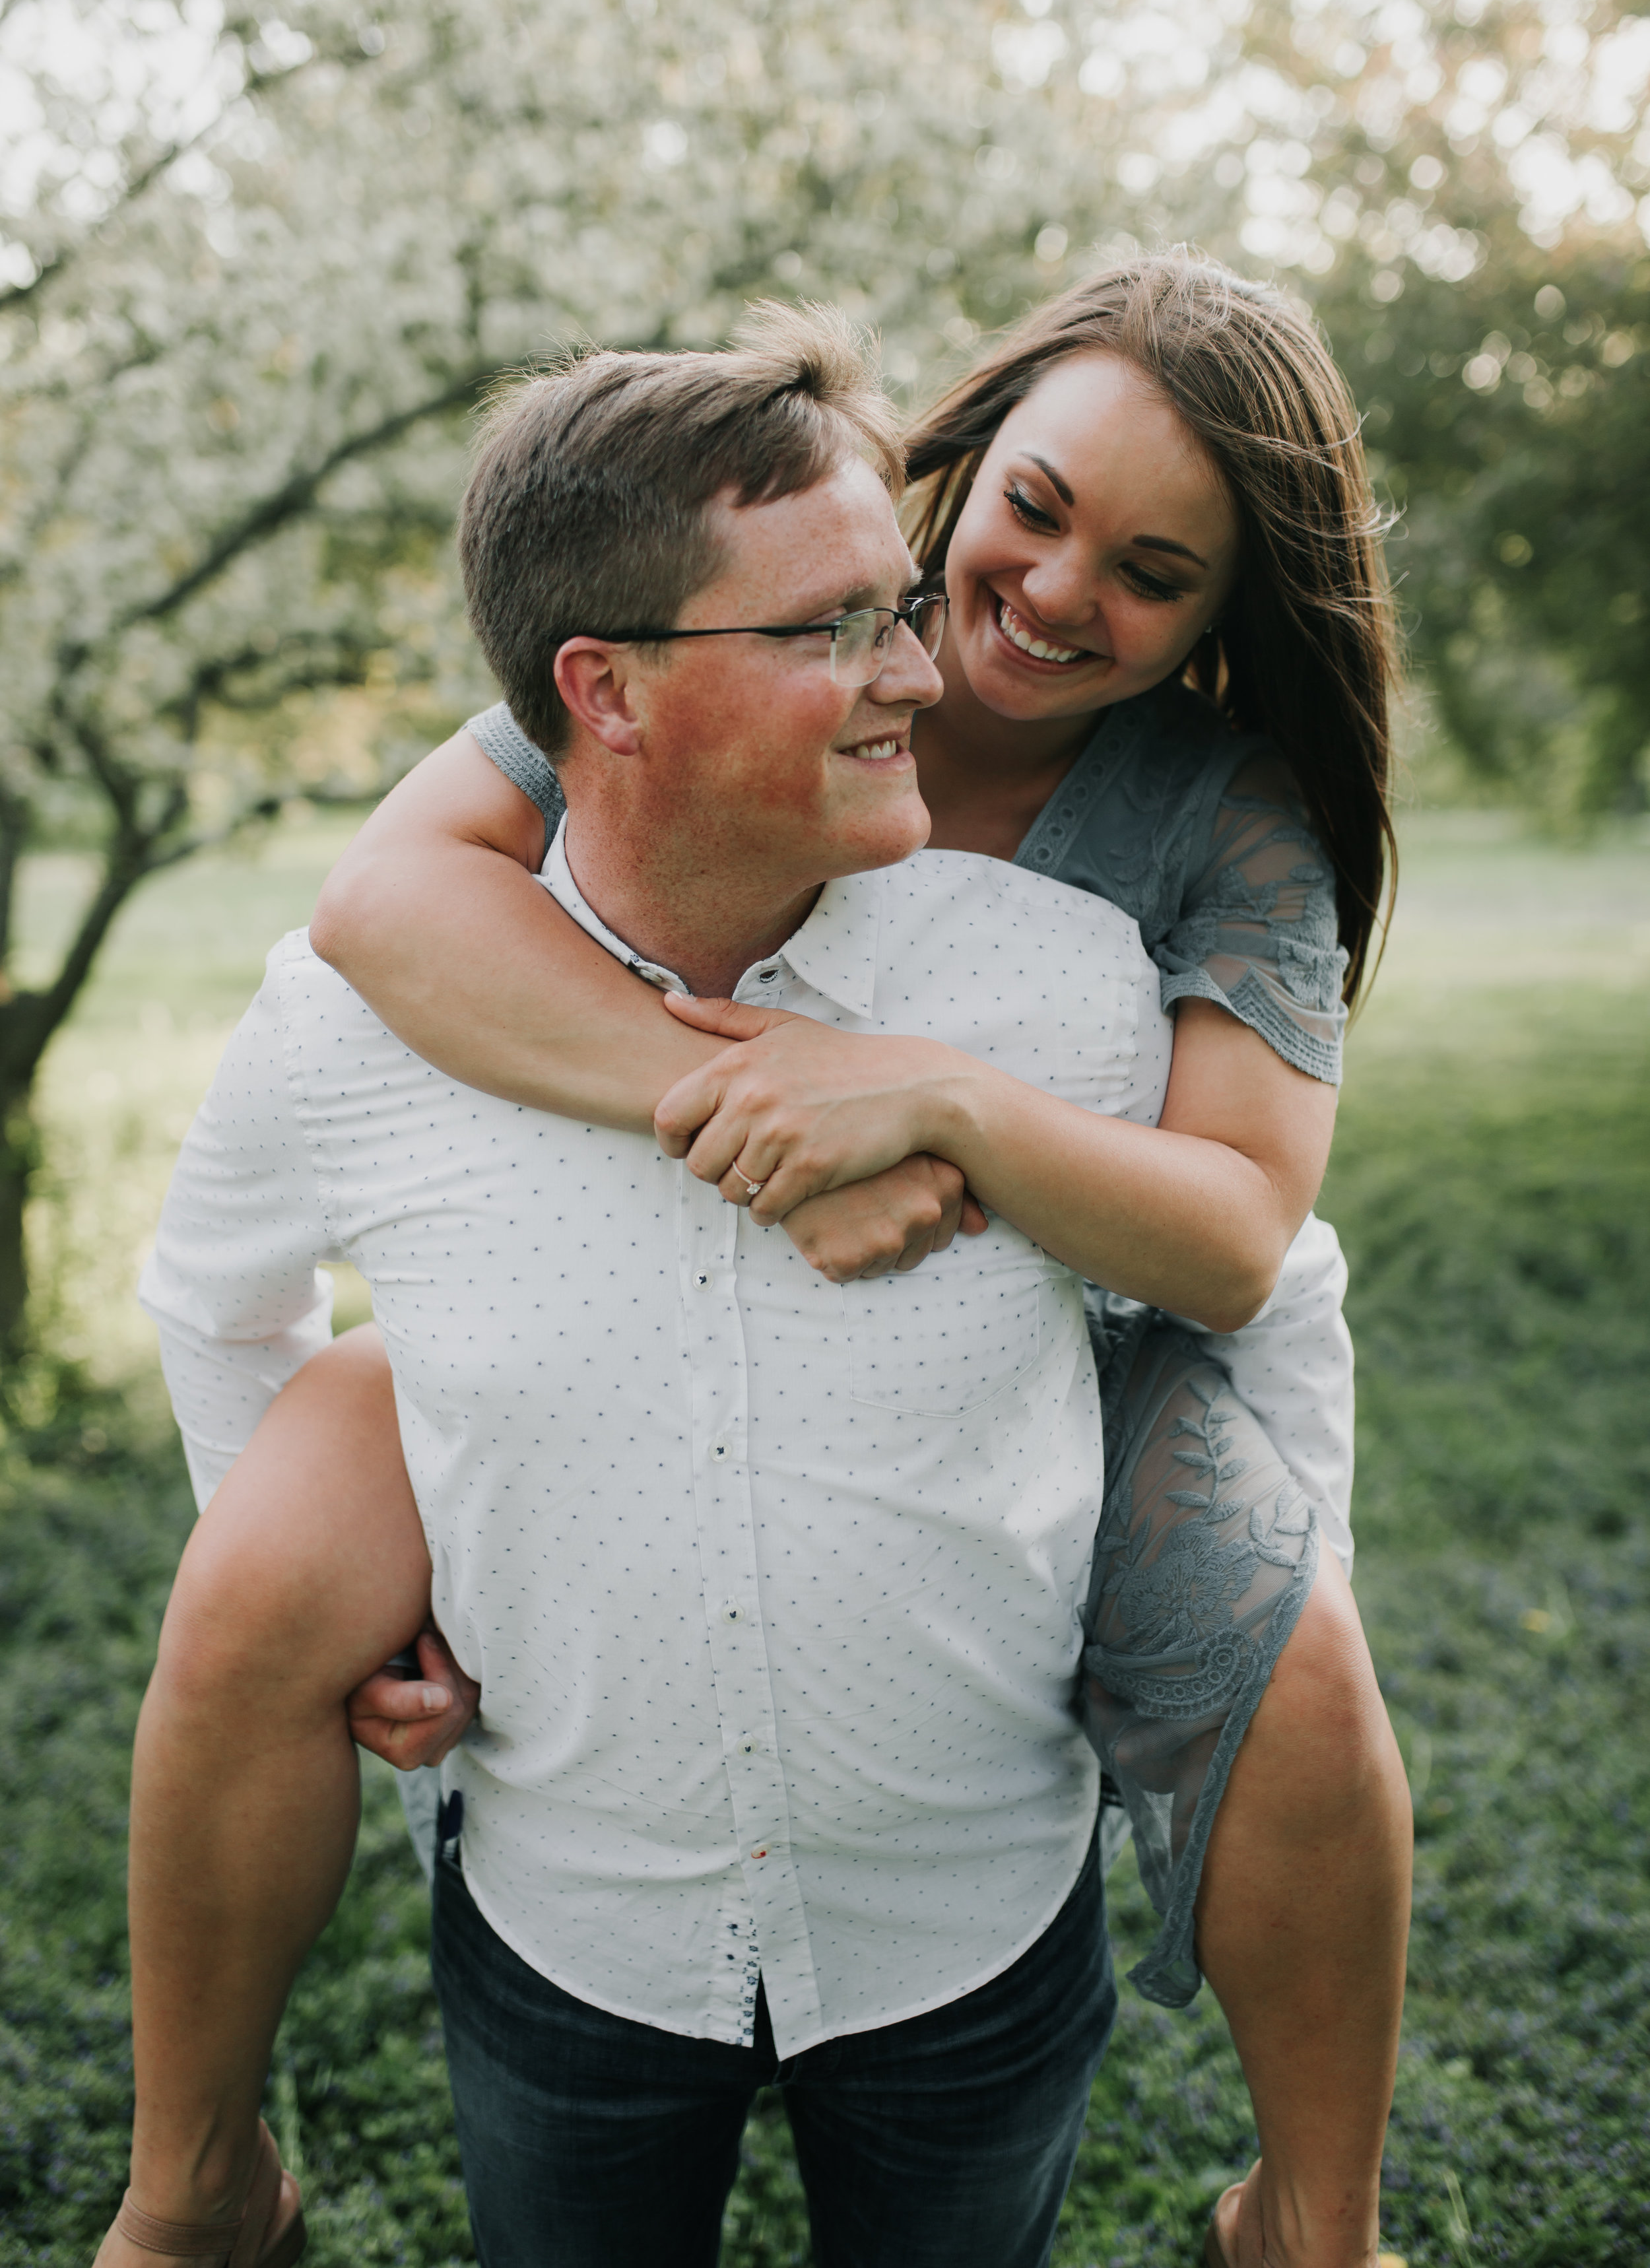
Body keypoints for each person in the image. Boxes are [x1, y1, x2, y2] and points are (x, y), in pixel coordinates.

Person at [102, 276, 1406, 2268]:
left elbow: (1238, 1234)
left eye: (1150, 576)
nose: (1044, 599)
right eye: (1030, 511)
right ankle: (192, 2186)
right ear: (959, 473)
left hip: (1107, 1299)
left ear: (1219, 621)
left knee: (1286, 1654)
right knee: (317, 1483)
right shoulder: (689, 628)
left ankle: (1315, 2221)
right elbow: (378, 911)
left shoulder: (1194, 833)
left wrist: (932, 1106)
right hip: (595, 1808)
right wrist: (741, 1118)